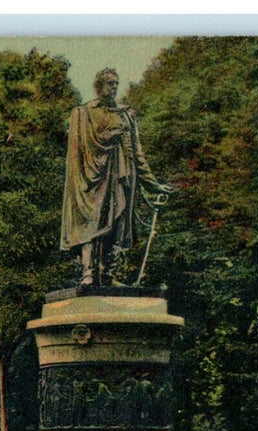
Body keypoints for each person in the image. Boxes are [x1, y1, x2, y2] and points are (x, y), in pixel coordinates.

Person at [61, 68, 176, 286]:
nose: (114, 87)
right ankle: (88, 273)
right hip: (92, 179)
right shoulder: (84, 113)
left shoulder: (126, 114)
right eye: (109, 83)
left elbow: (137, 153)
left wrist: (153, 185)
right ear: (99, 86)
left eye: (116, 83)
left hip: (122, 178)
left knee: (117, 225)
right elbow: (77, 152)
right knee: (92, 224)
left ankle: (108, 275)